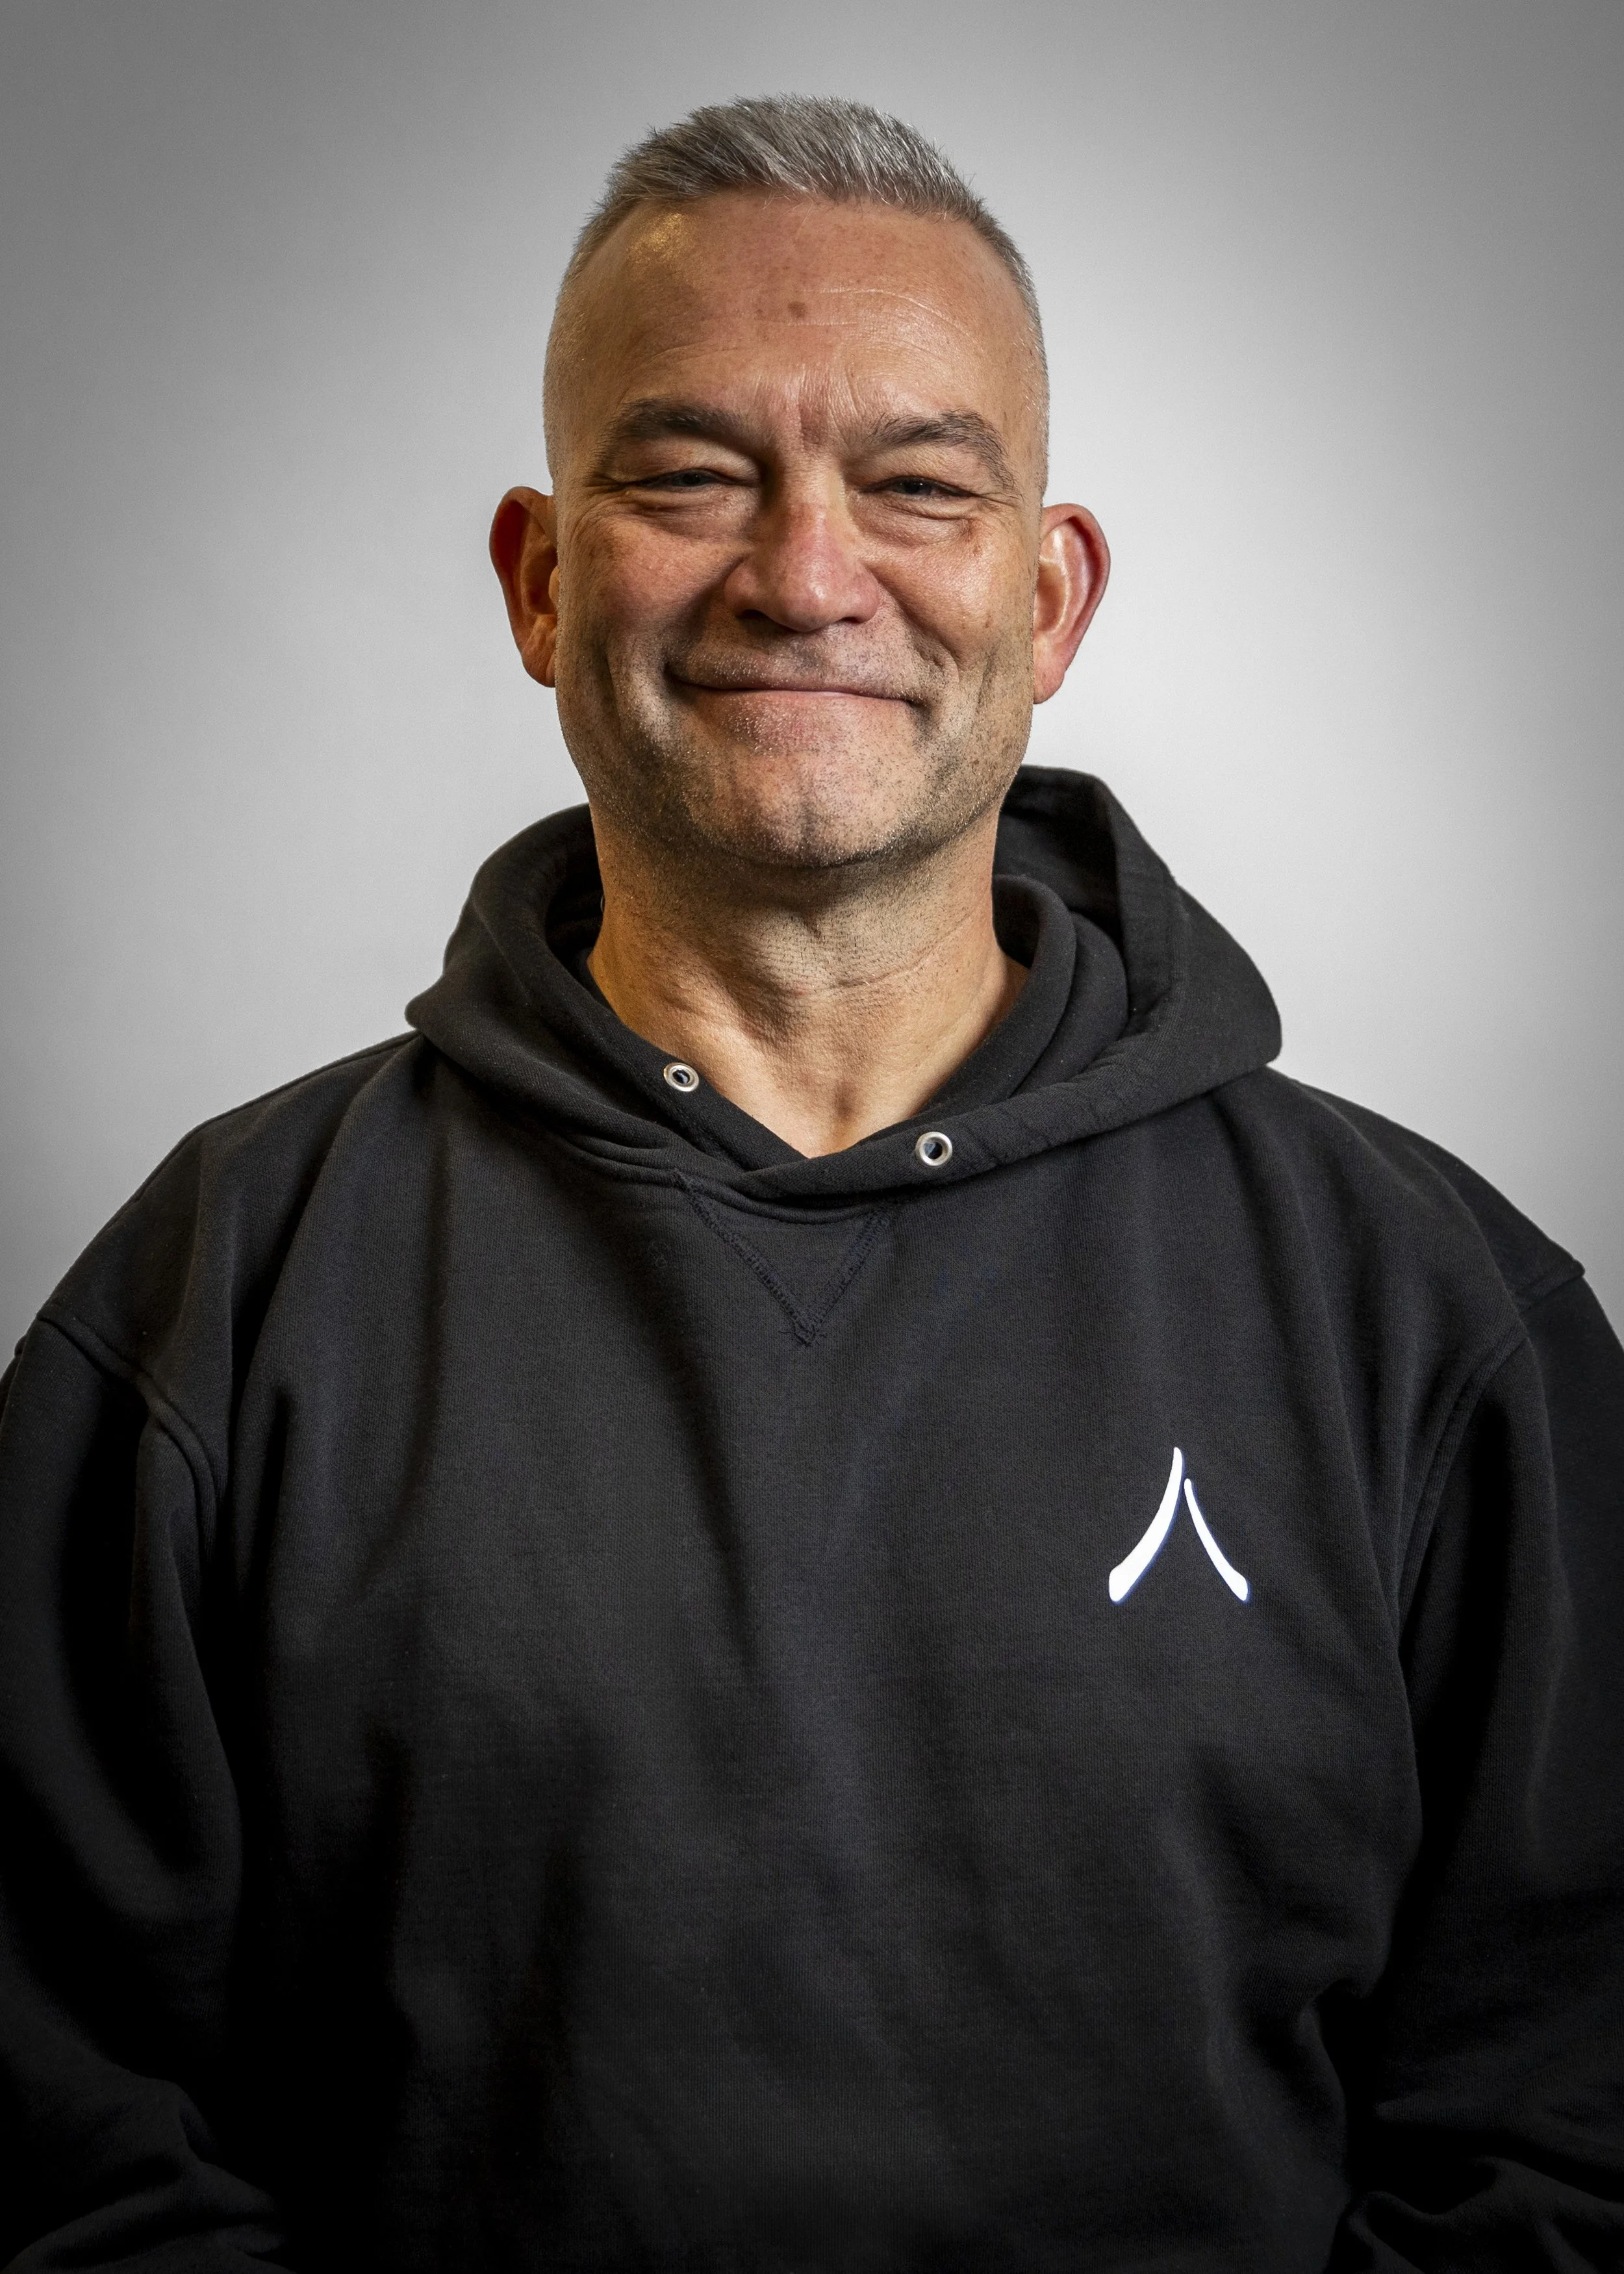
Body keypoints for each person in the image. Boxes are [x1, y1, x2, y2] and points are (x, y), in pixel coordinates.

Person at [1, 92, 1619, 2274]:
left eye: (916, 483)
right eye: (686, 473)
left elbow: (1564, 2142)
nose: (804, 571)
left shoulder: (1431, 1317)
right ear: (540, 576)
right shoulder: (219, 1298)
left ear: (1044, 600)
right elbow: (59, 2139)